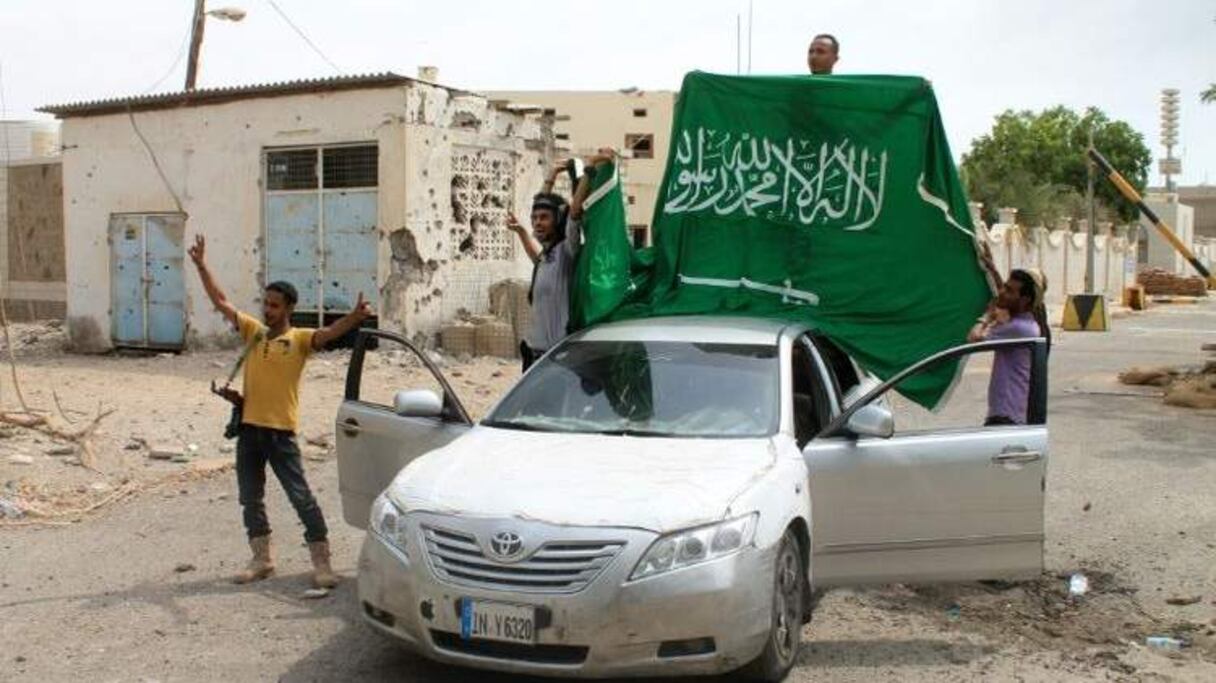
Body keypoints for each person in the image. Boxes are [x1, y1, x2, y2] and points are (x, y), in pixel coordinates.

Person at [188, 235, 372, 588]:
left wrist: (354, 316)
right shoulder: (254, 334)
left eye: (274, 306)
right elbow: (221, 301)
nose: (267, 310)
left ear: (288, 309)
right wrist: (201, 265)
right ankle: (262, 559)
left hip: (280, 434)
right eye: (266, 303)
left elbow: (330, 333)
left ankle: (322, 563)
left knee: (300, 497)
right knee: (250, 498)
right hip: (249, 432)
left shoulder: (300, 340)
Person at [507, 149, 615, 371]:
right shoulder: (546, 259)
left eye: (544, 218)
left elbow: (575, 210)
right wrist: (551, 176)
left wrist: (590, 168)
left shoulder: (567, 252)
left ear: (557, 220)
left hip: (558, 358)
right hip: (533, 356)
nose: (537, 222)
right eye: (534, 218)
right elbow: (536, 248)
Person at [968, 268, 1046, 426]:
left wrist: (987, 316)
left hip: (1005, 417)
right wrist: (992, 271)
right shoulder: (1026, 324)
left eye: (1009, 290)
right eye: (1004, 286)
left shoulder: (1018, 329)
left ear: (1025, 300)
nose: (1002, 292)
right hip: (1010, 415)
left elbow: (973, 338)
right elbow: (1004, 299)